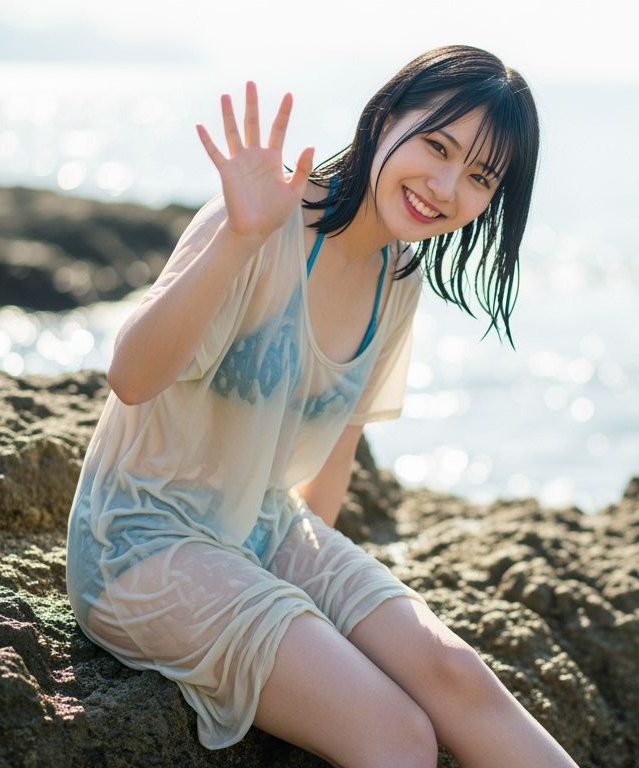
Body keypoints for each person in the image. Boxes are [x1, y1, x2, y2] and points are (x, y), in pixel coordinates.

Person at [65, 45, 576, 767]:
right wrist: (238, 238)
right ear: (386, 115)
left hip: (267, 529)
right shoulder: (264, 216)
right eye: (437, 145)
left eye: (479, 177)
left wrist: (323, 634)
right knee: (398, 733)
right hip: (141, 541)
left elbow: (332, 460)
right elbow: (131, 376)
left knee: (456, 677)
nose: (444, 185)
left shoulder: (398, 276)